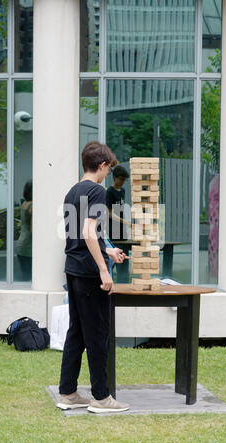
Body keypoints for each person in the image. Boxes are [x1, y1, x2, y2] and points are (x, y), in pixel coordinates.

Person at [57, 141, 130, 414]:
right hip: (89, 274)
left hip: (73, 269)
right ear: (101, 165)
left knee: (76, 332)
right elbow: (89, 231)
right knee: (98, 334)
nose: (107, 174)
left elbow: (82, 236)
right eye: (108, 169)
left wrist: (108, 251)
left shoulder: (72, 191)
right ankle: (101, 398)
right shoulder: (97, 191)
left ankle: (68, 393)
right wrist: (102, 269)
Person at [106, 165, 131, 282]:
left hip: (122, 230)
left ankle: (124, 281)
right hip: (113, 230)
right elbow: (110, 213)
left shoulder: (123, 191)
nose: (122, 182)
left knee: (124, 256)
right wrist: (125, 222)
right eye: (120, 179)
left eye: (124, 180)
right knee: (114, 257)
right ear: (114, 177)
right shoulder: (109, 192)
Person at [15, 181, 32, 281]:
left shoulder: (25, 203)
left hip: (21, 244)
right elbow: (33, 229)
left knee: (25, 277)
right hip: (28, 245)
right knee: (29, 279)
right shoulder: (32, 206)